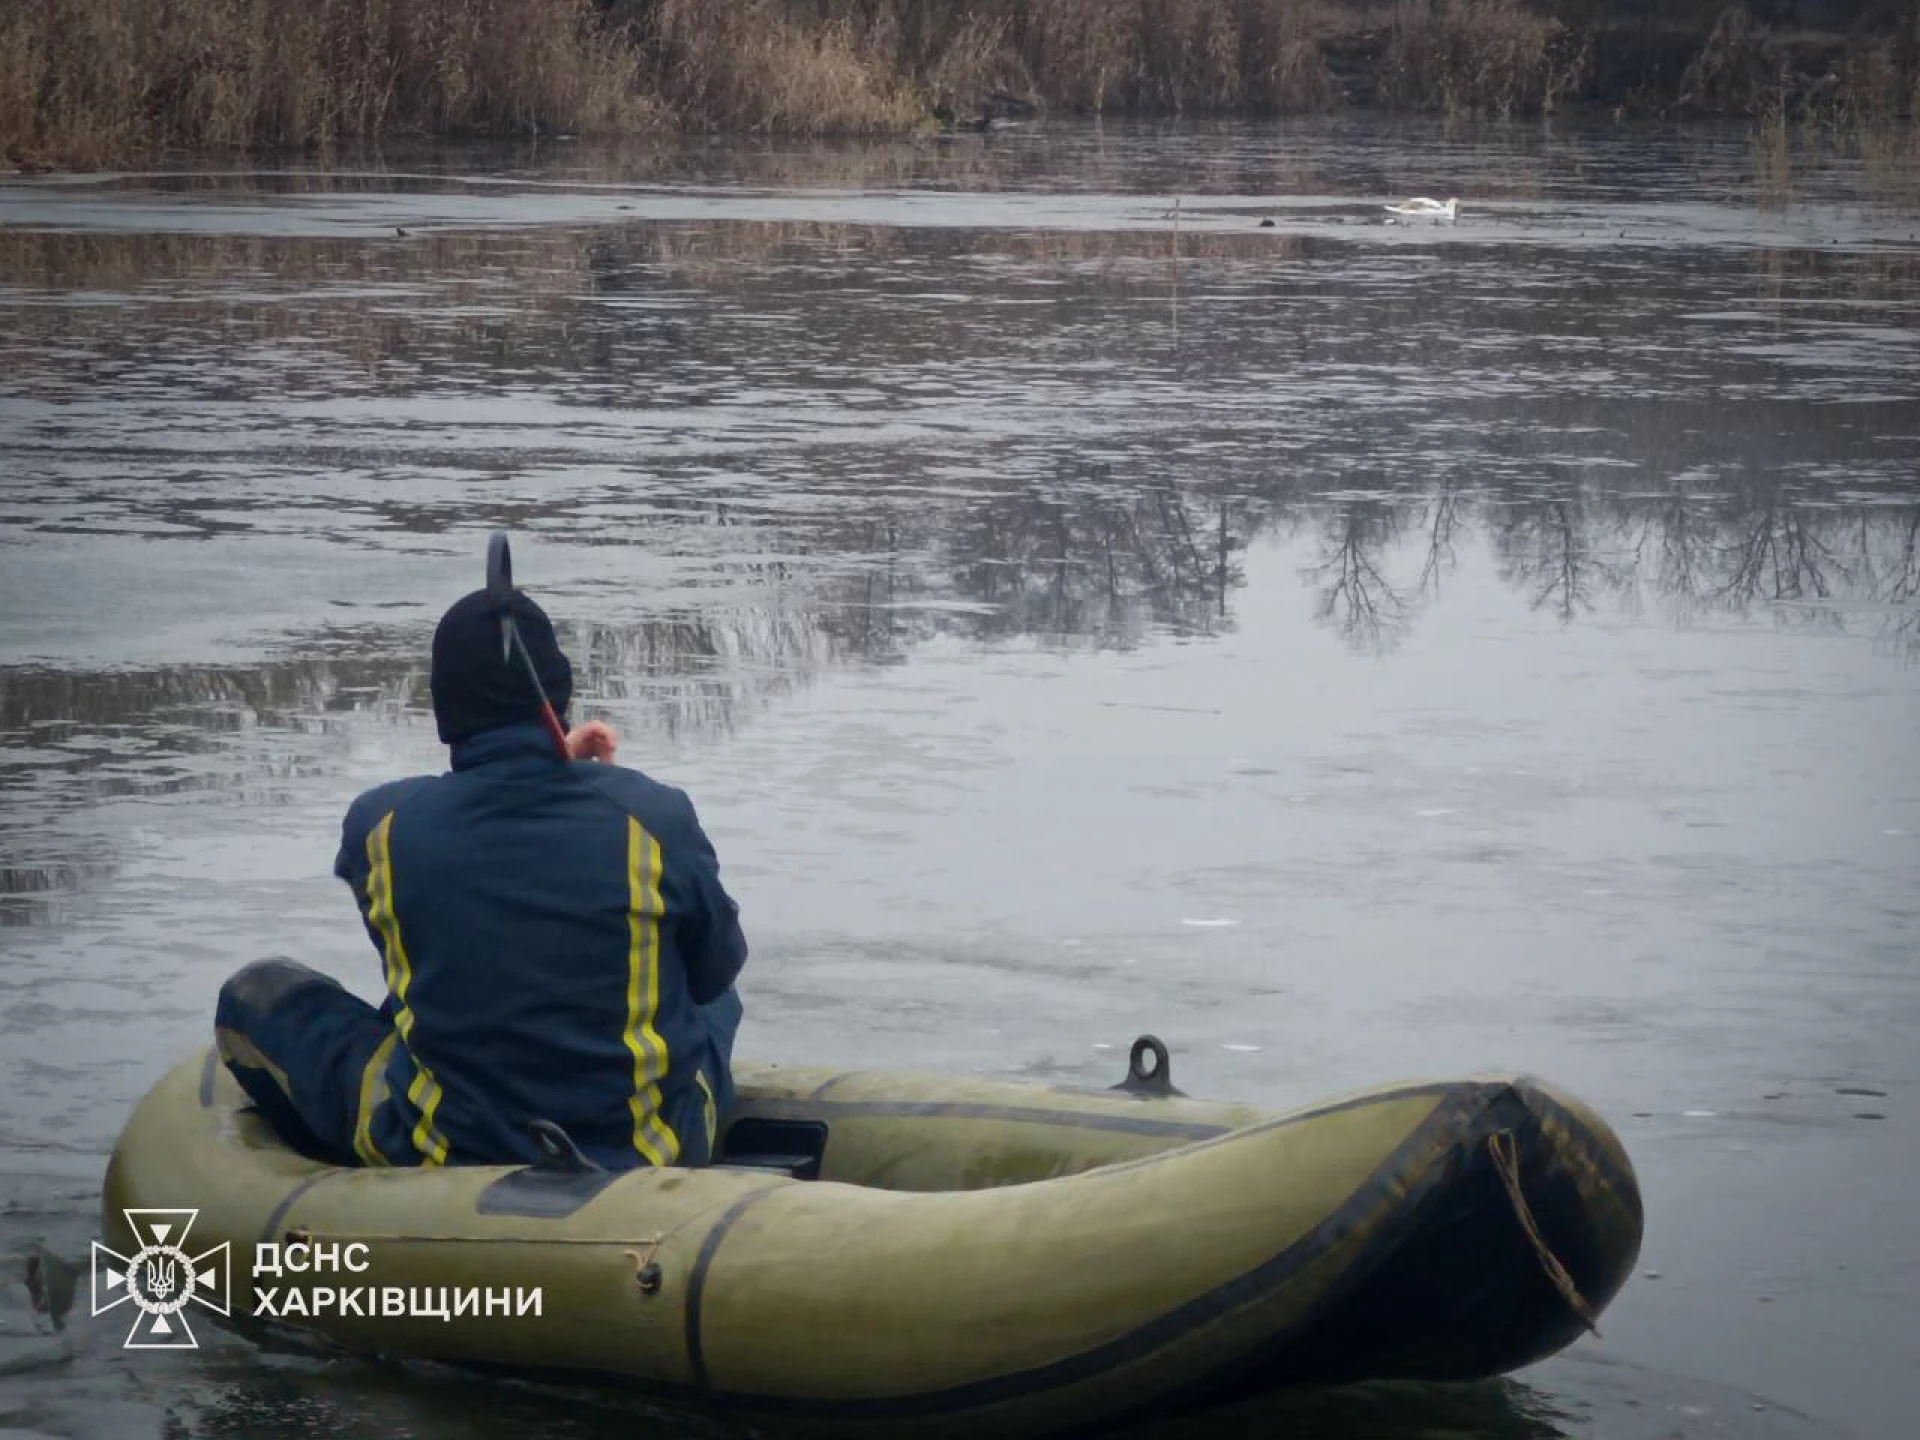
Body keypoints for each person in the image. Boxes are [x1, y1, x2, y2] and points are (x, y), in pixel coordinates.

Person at [212, 584, 748, 1172]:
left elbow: (431, 951)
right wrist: (572, 777)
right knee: (711, 988)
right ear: (556, 696)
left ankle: (325, 1174)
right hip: (645, 1154)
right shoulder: (655, 819)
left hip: (445, 1151)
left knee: (257, 995)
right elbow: (715, 969)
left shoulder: (380, 829)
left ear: (445, 710)